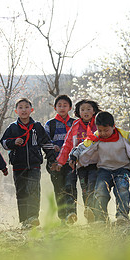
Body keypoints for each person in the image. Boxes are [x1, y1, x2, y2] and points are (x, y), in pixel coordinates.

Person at [70, 111, 130, 223]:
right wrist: (74, 156)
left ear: (113, 126)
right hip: (104, 170)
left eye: (106, 130)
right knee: (100, 191)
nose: (103, 133)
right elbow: (81, 147)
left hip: (122, 169)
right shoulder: (95, 137)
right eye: (100, 130)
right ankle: (101, 218)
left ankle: (122, 216)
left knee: (122, 189)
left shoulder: (124, 136)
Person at [0, 98, 56, 229]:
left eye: (26, 107)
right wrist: (14, 142)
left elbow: (47, 144)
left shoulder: (37, 126)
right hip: (18, 166)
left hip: (34, 165)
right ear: (16, 111)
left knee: (33, 190)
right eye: (20, 107)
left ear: (31, 109)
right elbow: (4, 143)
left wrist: (52, 159)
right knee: (21, 192)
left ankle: (33, 217)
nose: (23, 110)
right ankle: (24, 220)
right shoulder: (12, 127)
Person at [55, 99, 100, 223]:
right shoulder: (75, 126)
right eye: (82, 109)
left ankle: (92, 211)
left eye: (88, 109)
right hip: (80, 165)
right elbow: (68, 144)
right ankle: (83, 212)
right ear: (78, 112)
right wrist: (60, 161)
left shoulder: (99, 124)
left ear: (94, 111)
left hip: (96, 164)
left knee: (92, 187)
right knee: (85, 188)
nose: (86, 112)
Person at [44, 95, 78, 224]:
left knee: (70, 186)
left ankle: (71, 213)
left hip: (71, 161)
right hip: (55, 162)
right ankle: (62, 217)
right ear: (55, 108)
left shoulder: (75, 123)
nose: (62, 108)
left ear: (70, 107)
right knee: (59, 189)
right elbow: (45, 141)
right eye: (59, 105)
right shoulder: (50, 124)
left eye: (65, 105)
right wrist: (53, 146)